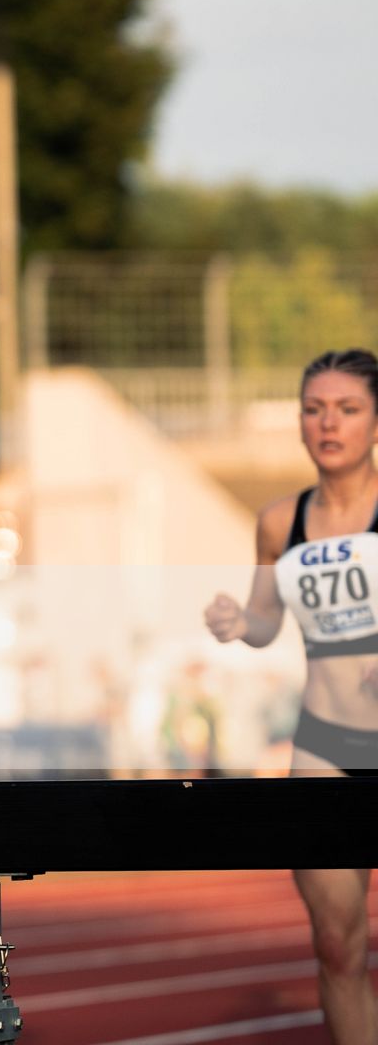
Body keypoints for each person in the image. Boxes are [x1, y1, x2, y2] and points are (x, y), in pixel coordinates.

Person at [205, 348, 378, 1045]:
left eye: (347, 409)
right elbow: (267, 620)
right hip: (325, 746)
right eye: (314, 409)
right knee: (338, 947)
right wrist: (241, 623)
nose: (327, 423)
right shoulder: (281, 523)